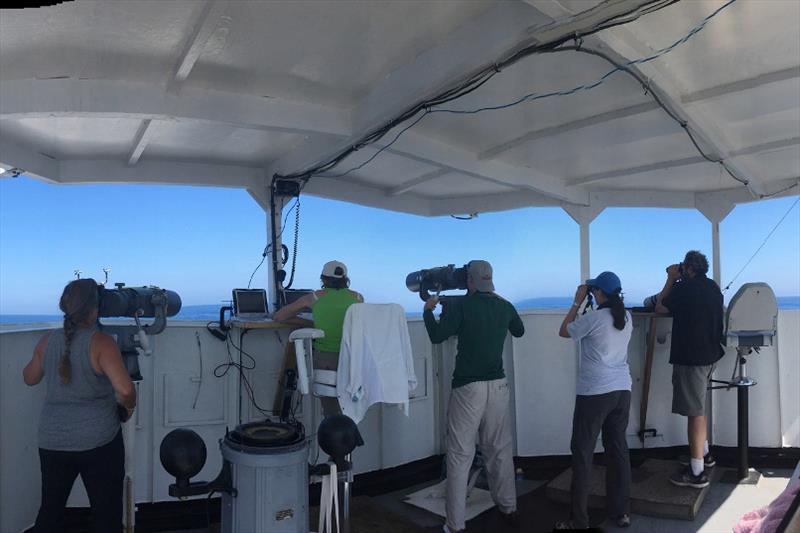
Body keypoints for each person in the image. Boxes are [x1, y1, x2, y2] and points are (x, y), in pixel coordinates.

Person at [23, 278, 136, 533]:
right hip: (98, 441)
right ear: (96, 308)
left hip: (52, 441)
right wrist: (128, 409)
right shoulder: (102, 343)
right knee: (105, 514)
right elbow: (126, 389)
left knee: (50, 512)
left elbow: (29, 378)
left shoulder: (47, 341)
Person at [422, 260, 524, 533]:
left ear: (469, 281)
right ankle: (508, 507)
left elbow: (437, 335)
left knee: (459, 454)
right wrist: (500, 301)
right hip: (498, 386)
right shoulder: (504, 305)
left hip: (468, 389)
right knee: (499, 450)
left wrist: (428, 310)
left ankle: (455, 524)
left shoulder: (462, 306)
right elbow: (519, 330)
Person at [556, 271, 633, 530]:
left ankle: (579, 521)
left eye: (593, 291)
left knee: (582, 454)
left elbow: (564, 331)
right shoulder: (627, 317)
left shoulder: (594, 318)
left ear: (599, 293)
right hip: (622, 391)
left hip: (595, 393)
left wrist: (577, 301)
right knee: (618, 450)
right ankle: (621, 512)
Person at [654, 250, 724, 489]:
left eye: (683, 267)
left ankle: (696, 473)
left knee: (694, 412)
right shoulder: (713, 287)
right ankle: (704, 454)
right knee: (700, 405)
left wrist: (671, 279)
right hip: (712, 354)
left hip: (692, 358)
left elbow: (660, 307)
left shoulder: (684, 288)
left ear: (689, 268)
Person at [273, 260, 363, 415]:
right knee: (348, 409)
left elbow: (279, 317)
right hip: (353, 360)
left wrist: (305, 322)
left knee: (331, 411)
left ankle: (333, 435)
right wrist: (311, 322)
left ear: (323, 279)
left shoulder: (315, 297)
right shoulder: (358, 297)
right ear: (346, 279)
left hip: (326, 360)